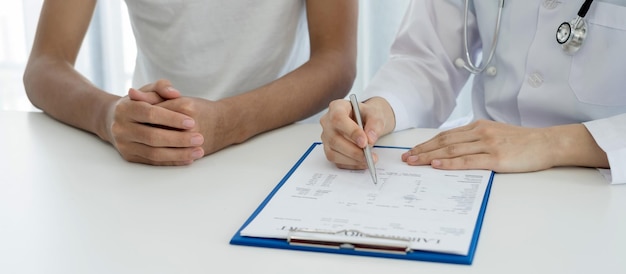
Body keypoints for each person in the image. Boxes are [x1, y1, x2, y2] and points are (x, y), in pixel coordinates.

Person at [320, 0, 626, 184]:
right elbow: (427, 58)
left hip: (604, 179)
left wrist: (552, 144)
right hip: (481, 170)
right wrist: (381, 108)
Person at [24, 0, 357, 166]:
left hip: (282, 147)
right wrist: (107, 116)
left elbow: (337, 60)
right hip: (149, 150)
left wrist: (229, 122)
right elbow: (44, 64)